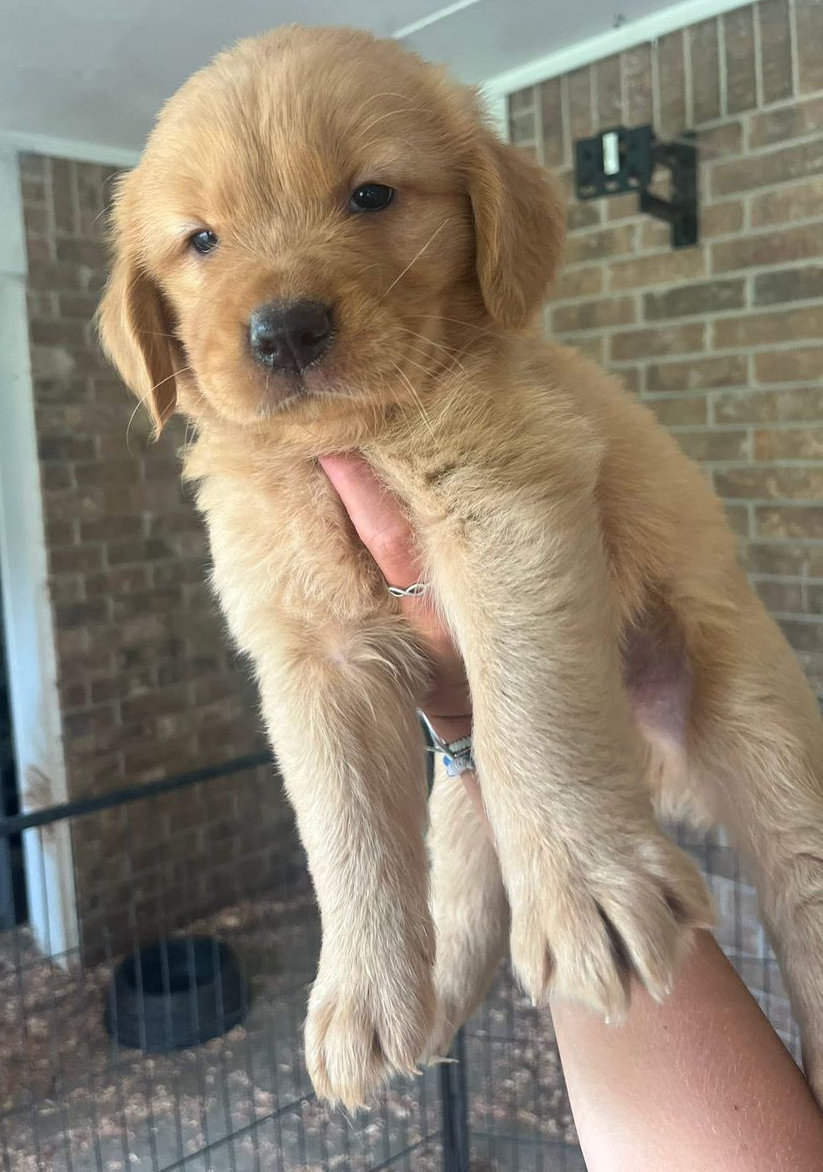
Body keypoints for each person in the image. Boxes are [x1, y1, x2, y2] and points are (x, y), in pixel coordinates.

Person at [320, 453, 823, 1172]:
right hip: (520, 697)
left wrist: (570, 831)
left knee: (802, 856)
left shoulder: (469, 391)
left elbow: (525, 531)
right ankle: (458, 949)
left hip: (682, 624)